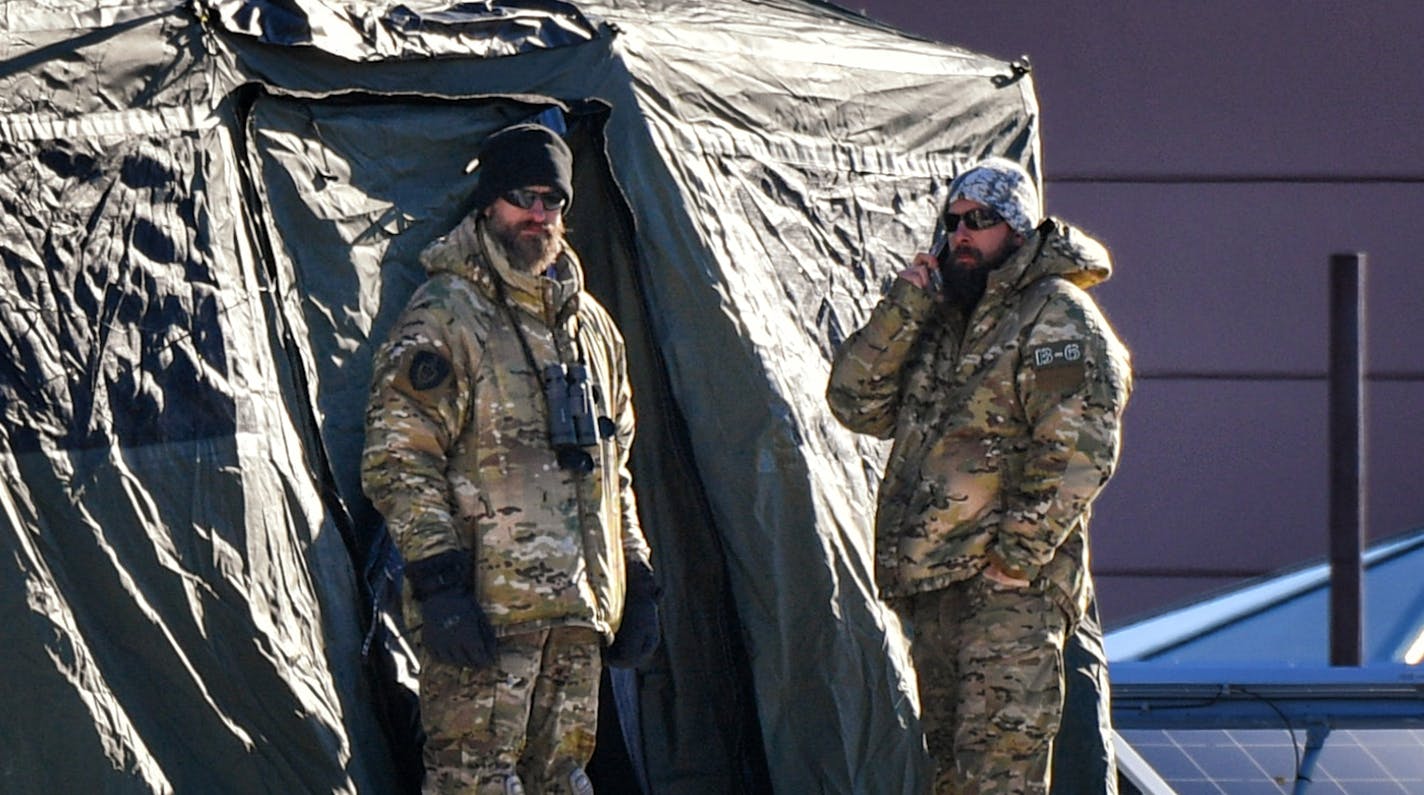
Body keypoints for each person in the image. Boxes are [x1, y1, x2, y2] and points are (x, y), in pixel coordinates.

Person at [362, 122, 660, 795]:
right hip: (486, 619)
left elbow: (617, 471)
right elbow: (398, 457)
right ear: (489, 204)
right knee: (474, 782)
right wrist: (439, 584)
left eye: (552, 200)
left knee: (562, 779)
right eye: (523, 196)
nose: (538, 214)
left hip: (577, 620)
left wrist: (636, 580)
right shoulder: (446, 315)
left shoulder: (594, 330)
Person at [826, 157, 1131, 794]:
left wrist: (1017, 560)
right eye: (954, 221)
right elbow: (855, 402)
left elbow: (1079, 449)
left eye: (981, 221)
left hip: (1010, 600)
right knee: (950, 777)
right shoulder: (941, 317)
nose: (963, 234)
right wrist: (905, 305)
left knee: (1000, 777)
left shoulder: (1056, 315)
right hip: (936, 589)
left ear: (1018, 229)